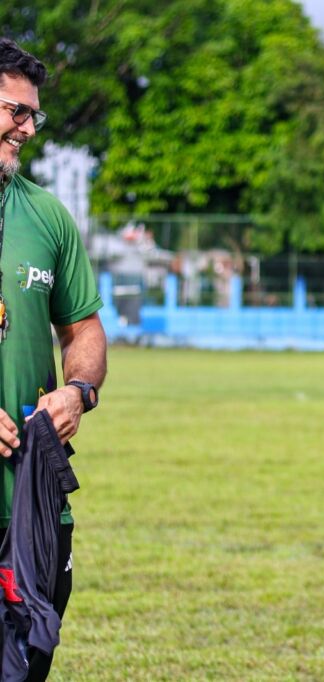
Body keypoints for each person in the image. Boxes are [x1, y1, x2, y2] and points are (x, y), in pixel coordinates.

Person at [0, 39, 107, 679]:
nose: (27, 128)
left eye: (34, 116)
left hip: (31, 504)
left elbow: (84, 332)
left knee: (28, 663)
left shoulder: (47, 215)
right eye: (16, 111)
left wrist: (78, 392)